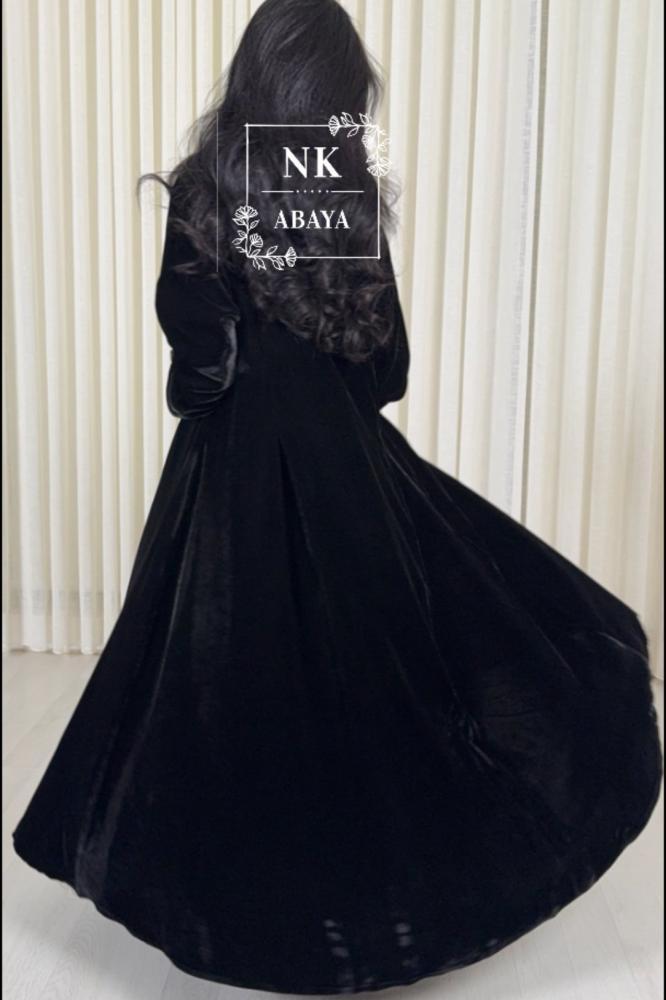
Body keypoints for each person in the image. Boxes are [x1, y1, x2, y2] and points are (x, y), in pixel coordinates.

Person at [12, 0, 663, 994]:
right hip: (344, 464)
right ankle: (385, 902)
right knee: (394, 662)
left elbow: (203, 368)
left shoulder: (206, 187)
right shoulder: (344, 193)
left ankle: (243, 902)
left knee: (218, 678)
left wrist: (223, 381)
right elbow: (387, 366)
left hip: (231, 476)